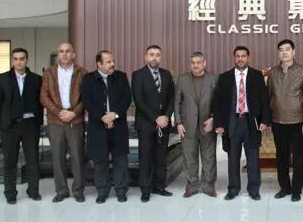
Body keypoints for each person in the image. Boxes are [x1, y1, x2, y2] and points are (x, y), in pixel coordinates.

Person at [212, 46, 271, 201]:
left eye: (243, 56)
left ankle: (254, 189)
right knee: (233, 159)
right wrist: (219, 124)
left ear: (248, 57)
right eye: (237, 56)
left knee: (253, 159)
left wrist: (265, 120)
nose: (240, 59)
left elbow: (264, 100)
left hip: (251, 123)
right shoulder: (224, 77)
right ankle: (233, 189)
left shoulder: (257, 76)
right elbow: (217, 103)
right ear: (234, 58)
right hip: (233, 123)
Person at [81, 50, 132, 204]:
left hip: (118, 125)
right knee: (100, 161)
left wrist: (114, 115)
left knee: (120, 160)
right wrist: (103, 117)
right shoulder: (88, 79)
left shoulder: (121, 76)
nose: (112, 64)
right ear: (99, 64)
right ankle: (102, 191)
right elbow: (87, 101)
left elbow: (126, 98)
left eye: (112, 61)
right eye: (108, 62)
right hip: (98, 127)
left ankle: (121, 191)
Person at [0, 48, 43, 204]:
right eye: (15, 59)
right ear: (12, 60)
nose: (19, 62)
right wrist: (2, 125)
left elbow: (40, 103)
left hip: (30, 126)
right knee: (10, 161)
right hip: (10, 127)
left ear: (26, 59)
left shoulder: (36, 79)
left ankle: (33, 191)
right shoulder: (2, 78)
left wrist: (38, 124)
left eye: (22, 58)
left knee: (32, 160)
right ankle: (10, 194)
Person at [40, 43, 88, 203]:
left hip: (75, 119)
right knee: (57, 157)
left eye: (68, 51)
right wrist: (58, 111)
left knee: (77, 157)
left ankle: (78, 191)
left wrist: (74, 112)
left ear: (73, 54)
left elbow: (87, 96)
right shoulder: (49, 72)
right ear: (58, 54)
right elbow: (43, 96)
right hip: (56, 120)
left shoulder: (82, 72)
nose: (64, 54)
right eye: (61, 51)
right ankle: (61, 191)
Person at [267, 39, 303, 202]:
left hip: (297, 122)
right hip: (278, 121)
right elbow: (269, 96)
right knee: (281, 157)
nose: (284, 52)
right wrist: (268, 120)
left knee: (298, 158)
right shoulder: (273, 72)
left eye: (287, 49)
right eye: (281, 50)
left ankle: (296, 190)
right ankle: (284, 187)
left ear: (294, 52)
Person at [131, 45, 175, 203]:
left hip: (163, 124)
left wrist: (166, 116)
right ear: (146, 57)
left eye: (157, 54)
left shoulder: (167, 74)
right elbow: (139, 100)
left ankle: (159, 186)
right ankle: (145, 189)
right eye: (151, 54)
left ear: (160, 57)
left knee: (161, 156)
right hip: (146, 124)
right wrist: (156, 118)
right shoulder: (138, 75)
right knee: (146, 157)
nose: (154, 57)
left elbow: (172, 98)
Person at [175, 51, 218, 198]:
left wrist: (213, 119)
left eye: (199, 62)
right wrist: (178, 122)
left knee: (209, 157)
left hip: (207, 125)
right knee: (189, 158)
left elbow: (218, 102)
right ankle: (192, 186)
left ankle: (208, 186)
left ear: (204, 63)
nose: (195, 65)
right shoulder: (182, 79)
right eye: (193, 63)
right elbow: (177, 102)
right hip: (187, 126)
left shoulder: (213, 79)